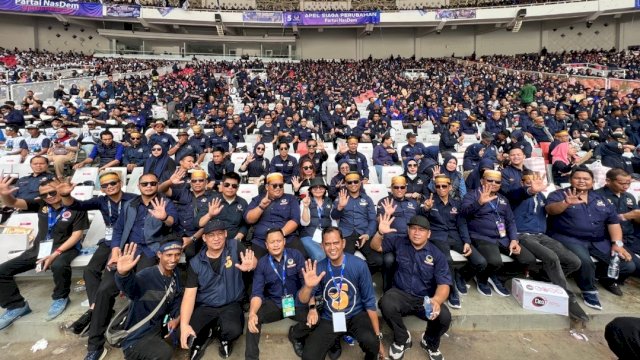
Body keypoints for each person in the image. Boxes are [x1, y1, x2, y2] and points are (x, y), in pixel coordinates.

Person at [0, 177, 89, 330]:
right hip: (40, 249)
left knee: (59, 265)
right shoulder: (41, 205)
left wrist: (56, 254)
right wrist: (5, 195)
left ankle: (60, 297)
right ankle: (16, 306)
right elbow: (13, 203)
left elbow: (76, 236)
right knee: (2, 271)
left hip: (65, 248)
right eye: (44, 195)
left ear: (61, 189)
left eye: (52, 192)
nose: (48, 197)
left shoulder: (76, 206)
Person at [545, 167, 637, 309]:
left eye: (586, 178)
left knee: (627, 265)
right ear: (570, 180)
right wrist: (566, 203)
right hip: (569, 238)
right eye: (577, 178)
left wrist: (617, 244)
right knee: (585, 262)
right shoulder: (559, 194)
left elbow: (613, 223)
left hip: (598, 240)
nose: (582, 181)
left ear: (593, 182)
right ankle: (588, 290)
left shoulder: (601, 199)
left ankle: (599, 277)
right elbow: (550, 210)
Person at [58, 172, 137, 336]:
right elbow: (76, 206)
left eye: (113, 183)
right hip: (108, 241)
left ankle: (99, 313)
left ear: (120, 182)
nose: (109, 187)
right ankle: (96, 308)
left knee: (112, 272)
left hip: (129, 241)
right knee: (90, 271)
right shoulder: (101, 200)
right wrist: (66, 195)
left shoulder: (133, 198)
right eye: (105, 185)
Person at [510, 170, 589, 322]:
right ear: (522, 183)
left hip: (541, 235)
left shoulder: (541, 196)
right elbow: (516, 195)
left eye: (535, 182)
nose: (533, 185)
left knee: (574, 261)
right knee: (551, 257)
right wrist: (529, 190)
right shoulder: (516, 195)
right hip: (522, 235)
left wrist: (565, 203)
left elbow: (550, 210)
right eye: (528, 182)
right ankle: (568, 298)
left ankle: (545, 278)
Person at [372, 215, 451, 360]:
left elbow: (444, 284)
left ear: (429, 233)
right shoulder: (399, 241)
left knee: (444, 317)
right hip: (401, 294)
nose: (416, 233)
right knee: (385, 303)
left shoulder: (437, 254)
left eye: (421, 230)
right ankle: (402, 339)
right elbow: (376, 246)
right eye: (413, 229)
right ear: (408, 230)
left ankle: (429, 342)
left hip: (424, 299)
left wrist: (437, 300)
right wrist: (380, 233)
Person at [298, 227, 384, 360]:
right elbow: (303, 299)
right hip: (330, 317)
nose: (332, 247)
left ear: (343, 243)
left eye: (336, 243)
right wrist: (309, 289)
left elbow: (369, 302)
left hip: (356, 315)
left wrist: (378, 337)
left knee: (373, 344)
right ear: (322, 246)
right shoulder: (319, 267)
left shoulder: (359, 265)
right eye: (327, 244)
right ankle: (334, 341)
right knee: (309, 356)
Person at [179, 220, 257, 359]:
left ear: (226, 234)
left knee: (233, 330)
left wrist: (252, 264)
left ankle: (222, 336)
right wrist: (184, 324)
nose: (216, 238)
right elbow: (189, 295)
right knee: (188, 331)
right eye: (211, 235)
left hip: (230, 303)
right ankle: (208, 332)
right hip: (205, 306)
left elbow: (252, 260)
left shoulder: (234, 246)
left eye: (220, 234)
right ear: (204, 238)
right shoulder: (196, 262)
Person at [460, 170, 536, 297]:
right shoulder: (472, 195)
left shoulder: (503, 199)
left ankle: (497, 277)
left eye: (497, 182)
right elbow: (463, 214)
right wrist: (479, 203)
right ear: (482, 181)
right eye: (490, 180)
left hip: (503, 238)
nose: (494, 183)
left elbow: (510, 221)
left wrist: (513, 239)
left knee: (528, 260)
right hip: (481, 237)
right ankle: (482, 279)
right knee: (495, 262)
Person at [246, 229, 314, 360]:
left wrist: (312, 308)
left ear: (284, 242)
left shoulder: (296, 255)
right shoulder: (262, 263)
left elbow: (308, 284)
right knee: (253, 321)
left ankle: (295, 335)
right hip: (275, 303)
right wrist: (252, 313)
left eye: (278, 241)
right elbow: (257, 293)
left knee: (316, 320)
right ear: (266, 245)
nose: (276, 245)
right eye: (272, 242)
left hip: (296, 302)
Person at [421, 175, 486, 309]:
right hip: (438, 236)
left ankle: (460, 275)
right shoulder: (430, 202)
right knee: (447, 260)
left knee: (480, 262)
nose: (441, 189)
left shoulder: (457, 203)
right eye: (438, 186)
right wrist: (425, 209)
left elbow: (462, 223)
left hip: (455, 236)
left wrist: (466, 241)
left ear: (450, 187)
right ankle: (452, 291)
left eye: (444, 186)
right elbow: (421, 219)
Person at [114, 241, 183, 360]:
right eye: (169, 255)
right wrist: (123, 274)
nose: (173, 259)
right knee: (164, 353)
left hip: (157, 330)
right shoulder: (147, 275)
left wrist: (176, 318)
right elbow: (131, 288)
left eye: (177, 254)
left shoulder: (176, 275)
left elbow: (175, 300)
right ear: (159, 254)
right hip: (137, 337)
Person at [375, 176, 420, 292]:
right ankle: (387, 291)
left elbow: (420, 220)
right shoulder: (384, 202)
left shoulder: (414, 203)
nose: (399, 189)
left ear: (406, 188)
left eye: (402, 187)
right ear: (391, 188)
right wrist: (387, 214)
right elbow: (381, 223)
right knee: (389, 261)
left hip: (410, 241)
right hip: (391, 241)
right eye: (396, 187)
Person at [331, 171, 381, 274]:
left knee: (378, 261)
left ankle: (363, 279)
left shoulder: (367, 199)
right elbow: (333, 216)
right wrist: (340, 207)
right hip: (346, 235)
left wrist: (367, 234)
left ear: (360, 183)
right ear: (346, 184)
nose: (353, 184)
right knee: (343, 262)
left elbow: (372, 220)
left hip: (364, 233)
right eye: (349, 182)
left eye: (355, 181)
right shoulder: (341, 198)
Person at [244, 172, 305, 258]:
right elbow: (249, 219)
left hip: (287, 238)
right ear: (266, 187)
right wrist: (261, 207)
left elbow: (295, 220)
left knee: (302, 260)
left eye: (281, 185)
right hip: (261, 241)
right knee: (253, 266)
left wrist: (278, 235)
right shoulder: (258, 199)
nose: (278, 188)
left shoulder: (291, 198)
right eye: (274, 185)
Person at [159, 168, 215, 259]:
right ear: (190, 182)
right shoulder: (183, 193)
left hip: (196, 235)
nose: (197, 183)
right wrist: (170, 182)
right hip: (177, 232)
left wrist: (192, 239)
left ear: (206, 182)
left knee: (191, 254)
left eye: (201, 180)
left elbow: (208, 223)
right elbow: (161, 190)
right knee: (166, 253)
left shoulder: (212, 198)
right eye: (194, 181)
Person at [597, 169, 640, 259]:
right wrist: (623, 216)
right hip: (610, 239)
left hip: (631, 238)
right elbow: (595, 221)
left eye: (628, 183)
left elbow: (635, 217)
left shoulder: (629, 196)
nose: (626, 186)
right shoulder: (597, 196)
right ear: (608, 181)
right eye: (621, 183)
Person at [300, 177, 334, 261]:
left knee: (333, 254)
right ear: (311, 190)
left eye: (321, 187)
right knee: (320, 256)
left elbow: (333, 221)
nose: (318, 189)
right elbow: (304, 223)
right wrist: (305, 207)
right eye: (315, 187)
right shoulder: (305, 201)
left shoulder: (329, 201)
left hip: (325, 235)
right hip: (308, 235)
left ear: (325, 190)